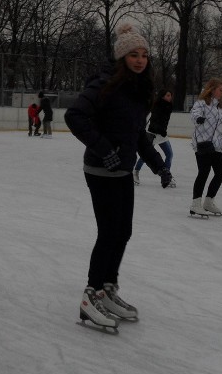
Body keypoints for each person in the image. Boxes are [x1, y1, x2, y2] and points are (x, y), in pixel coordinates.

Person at [64, 24, 173, 332]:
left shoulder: (139, 90)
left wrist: (158, 164)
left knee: (123, 231)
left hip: (123, 169)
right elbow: (74, 116)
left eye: (144, 55)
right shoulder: (104, 84)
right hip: (101, 169)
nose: (140, 60)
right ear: (121, 56)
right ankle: (91, 295)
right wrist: (104, 149)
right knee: (109, 232)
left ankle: (108, 288)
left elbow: (137, 133)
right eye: (133, 55)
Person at [189, 78, 222, 217]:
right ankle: (195, 204)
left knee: (220, 172)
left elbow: (219, 130)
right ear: (212, 89)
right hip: (201, 143)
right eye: (220, 90)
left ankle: (208, 201)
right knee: (204, 172)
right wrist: (198, 118)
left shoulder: (219, 107)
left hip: (215, 145)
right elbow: (194, 113)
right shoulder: (201, 103)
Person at [133, 89, 176, 187]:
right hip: (151, 133)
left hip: (161, 134)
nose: (170, 97)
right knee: (146, 155)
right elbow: (154, 123)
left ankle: (166, 175)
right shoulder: (156, 106)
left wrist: (162, 131)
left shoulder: (169, 106)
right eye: (168, 95)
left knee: (169, 154)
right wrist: (161, 130)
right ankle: (135, 172)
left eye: (171, 95)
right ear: (162, 96)